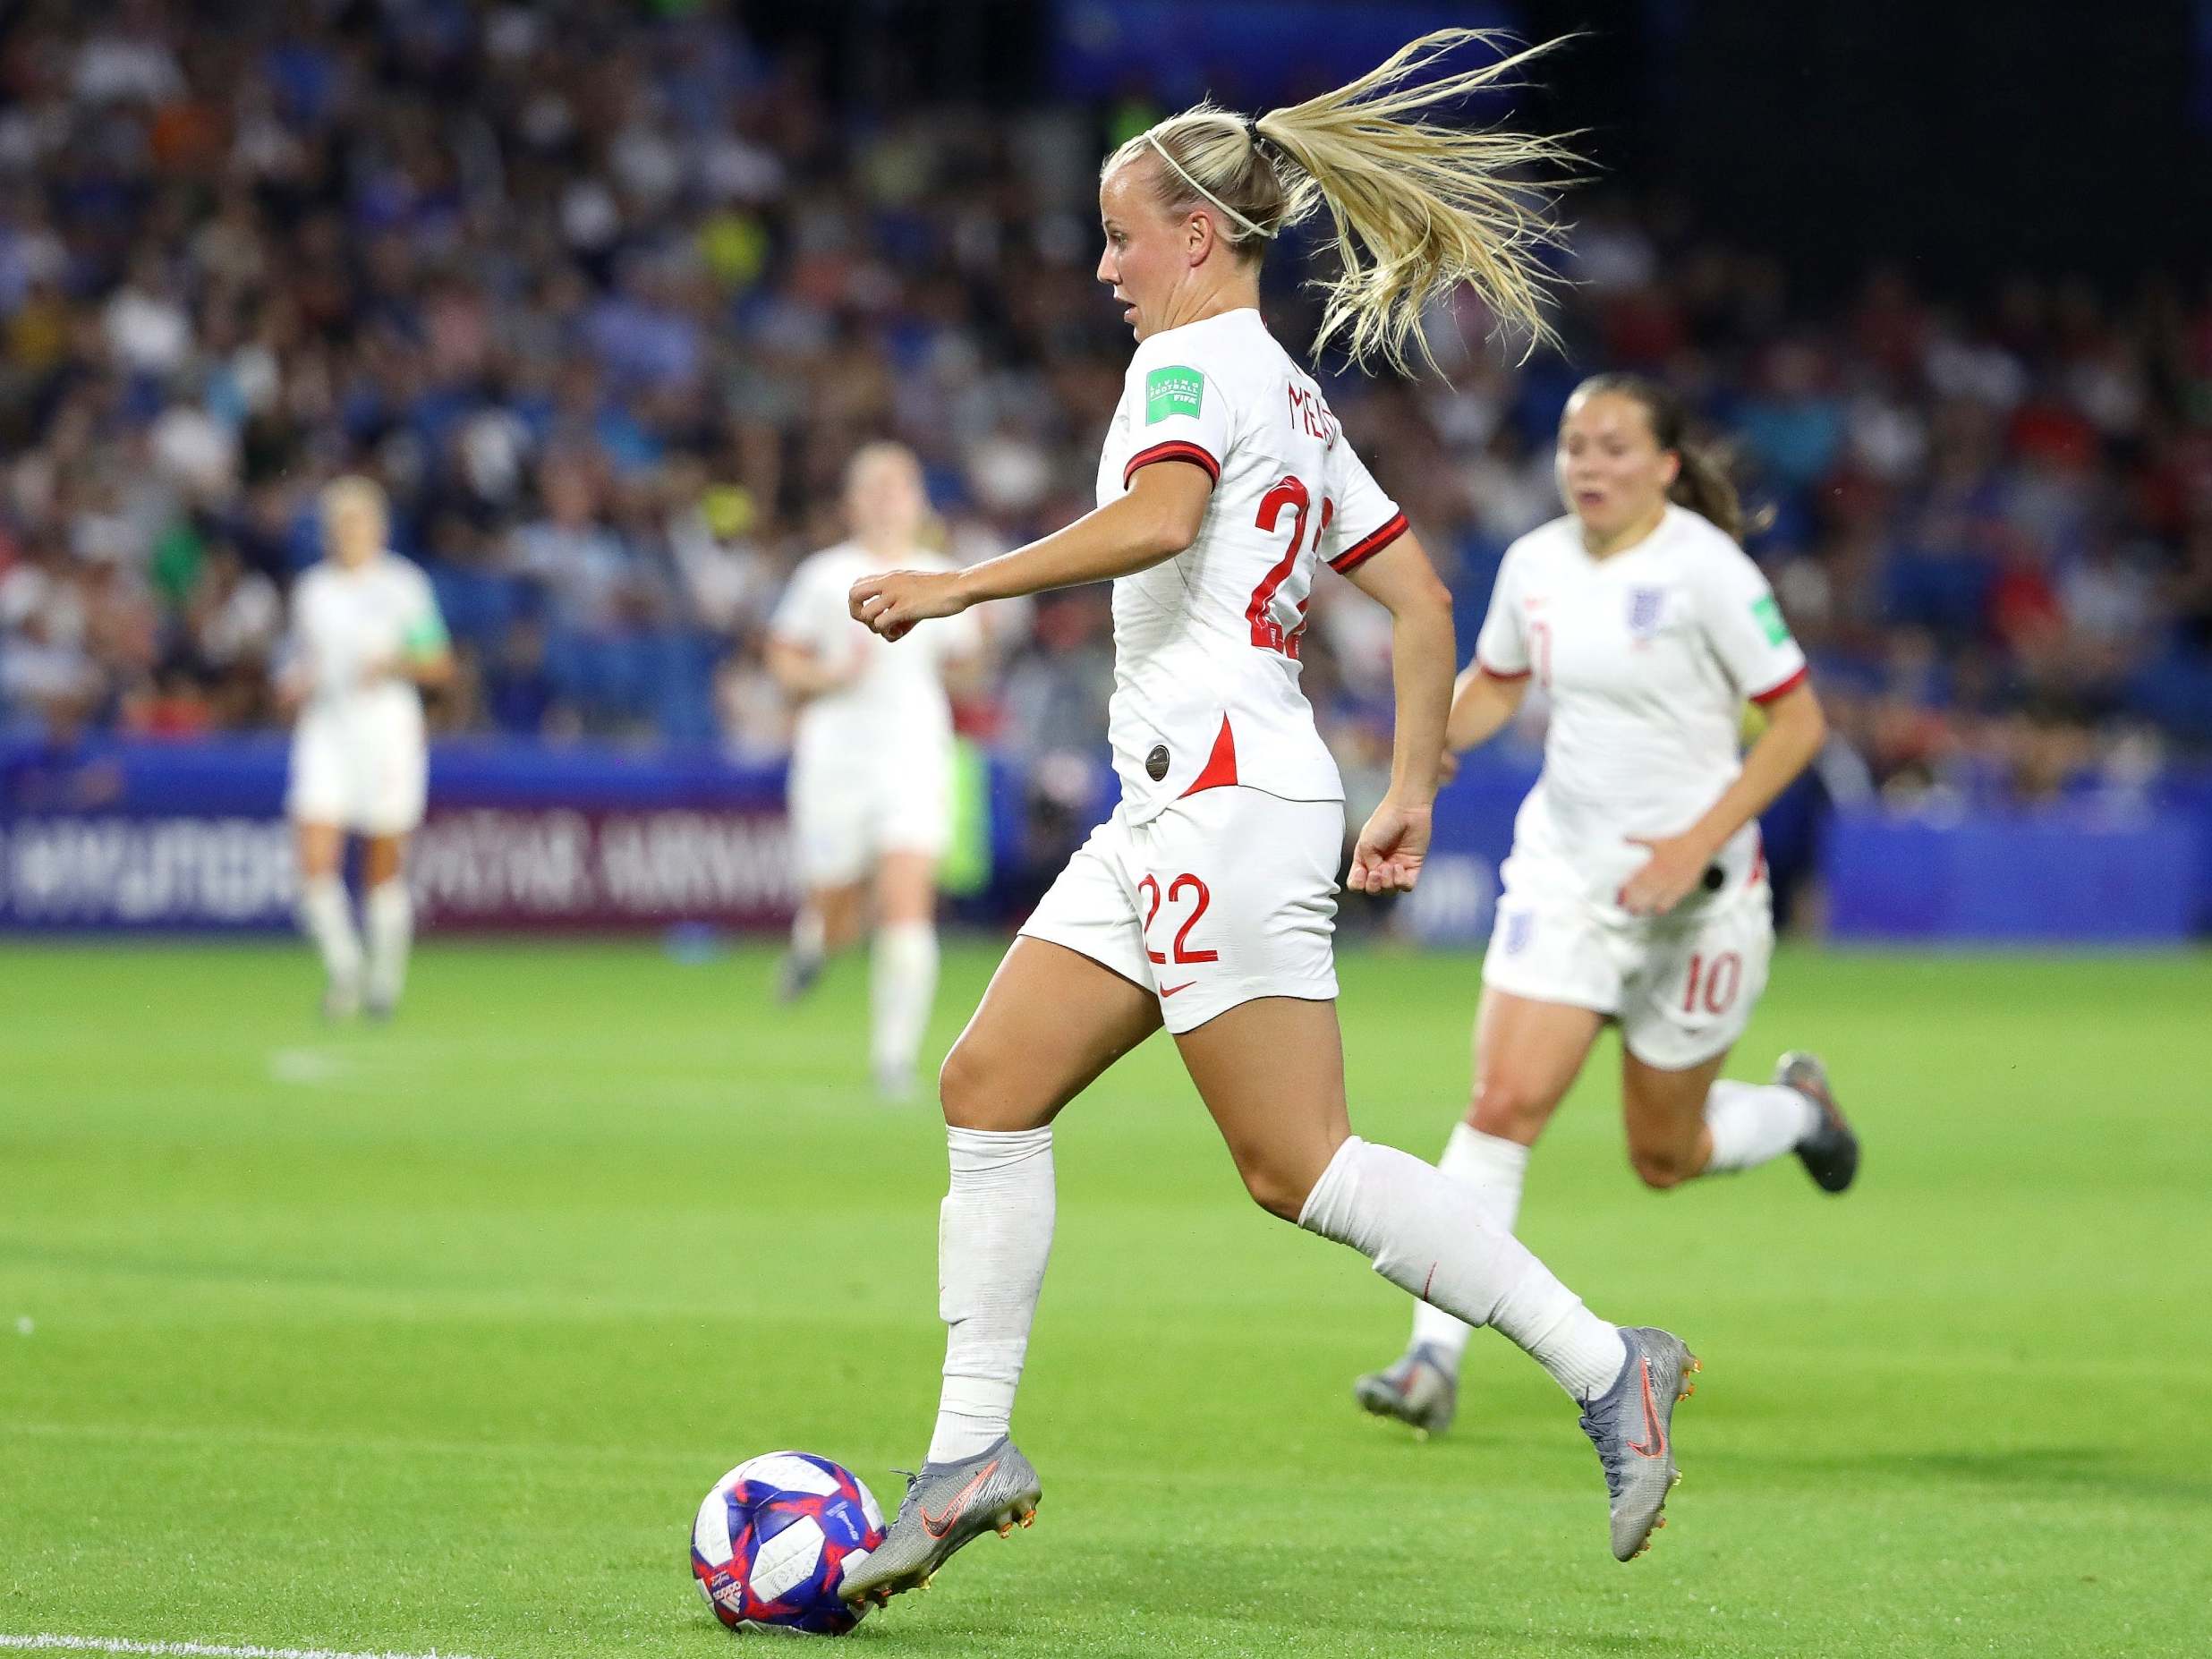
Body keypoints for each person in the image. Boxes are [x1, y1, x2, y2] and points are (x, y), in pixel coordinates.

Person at [834, 31, 1699, 1607]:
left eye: (1117, 230)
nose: (1101, 262)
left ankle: (1602, 1356)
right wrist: (1413, 785)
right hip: (1188, 799)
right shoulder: (1286, 394)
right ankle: (968, 1452)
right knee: (989, 1077)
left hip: (1222, 799)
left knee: (1294, 1160)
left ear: (1199, 234)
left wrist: (959, 580)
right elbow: (1421, 597)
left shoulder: (1186, 370)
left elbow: (1162, 516)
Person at [1353, 375, 1859, 1439]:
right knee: (1500, 1109)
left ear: (1668, 466)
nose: (1588, 465)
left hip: (1700, 900)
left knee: (1663, 1159)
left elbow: (1800, 726)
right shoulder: (1536, 564)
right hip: (1569, 881)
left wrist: (1692, 842)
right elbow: (1497, 680)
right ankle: (1429, 1360)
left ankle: (1803, 1113)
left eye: (1616, 448)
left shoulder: (1708, 572)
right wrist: (1430, 747)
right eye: (1576, 445)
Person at [764, 442, 983, 1101]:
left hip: (913, 752)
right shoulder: (823, 575)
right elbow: (782, 662)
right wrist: (831, 674)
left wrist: (969, 634)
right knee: (839, 909)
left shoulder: (943, 573)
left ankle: (894, 1061)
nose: (890, 500)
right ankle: (814, 943)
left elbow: (967, 671)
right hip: (836, 758)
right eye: (876, 488)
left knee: (905, 898)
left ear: (919, 500)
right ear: (852, 502)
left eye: (902, 488)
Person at [277, 476, 453, 1019]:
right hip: (327, 728)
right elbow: (297, 659)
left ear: (377, 528)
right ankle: (344, 967)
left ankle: (384, 979)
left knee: (382, 864)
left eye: (359, 522)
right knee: (313, 858)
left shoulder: (403, 587)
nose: (349, 533)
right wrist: (294, 682)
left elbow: (438, 664)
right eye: (340, 524)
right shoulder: (313, 590)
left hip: (385, 730)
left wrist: (394, 663)